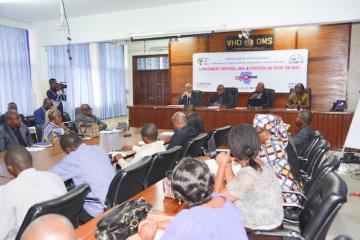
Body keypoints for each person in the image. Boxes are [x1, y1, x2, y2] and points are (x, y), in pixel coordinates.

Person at [138, 158, 248, 240]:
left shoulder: (188, 219)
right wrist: (156, 224)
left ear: (178, 194)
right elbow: (185, 223)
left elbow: (186, 223)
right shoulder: (222, 200)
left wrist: (147, 236)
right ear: (209, 179)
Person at [213, 124, 284, 230]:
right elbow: (236, 188)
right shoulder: (259, 162)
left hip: (259, 230)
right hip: (270, 221)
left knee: (208, 217)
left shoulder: (248, 175)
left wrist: (221, 166)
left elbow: (216, 202)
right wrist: (227, 166)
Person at [0, 146, 66, 239]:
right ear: (32, 161)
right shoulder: (54, 178)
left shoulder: (7, 192)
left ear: (10, 168)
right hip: (62, 232)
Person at [49, 131, 115, 222]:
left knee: (64, 210)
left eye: (66, 152)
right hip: (115, 199)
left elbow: (50, 176)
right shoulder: (98, 148)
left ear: (69, 149)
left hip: (99, 208)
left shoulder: (73, 158)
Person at [253, 114, 302, 204]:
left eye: (257, 132)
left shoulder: (272, 148)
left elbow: (255, 171)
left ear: (267, 133)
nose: (255, 135)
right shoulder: (276, 140)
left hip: (286, 197)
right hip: (289, 190)